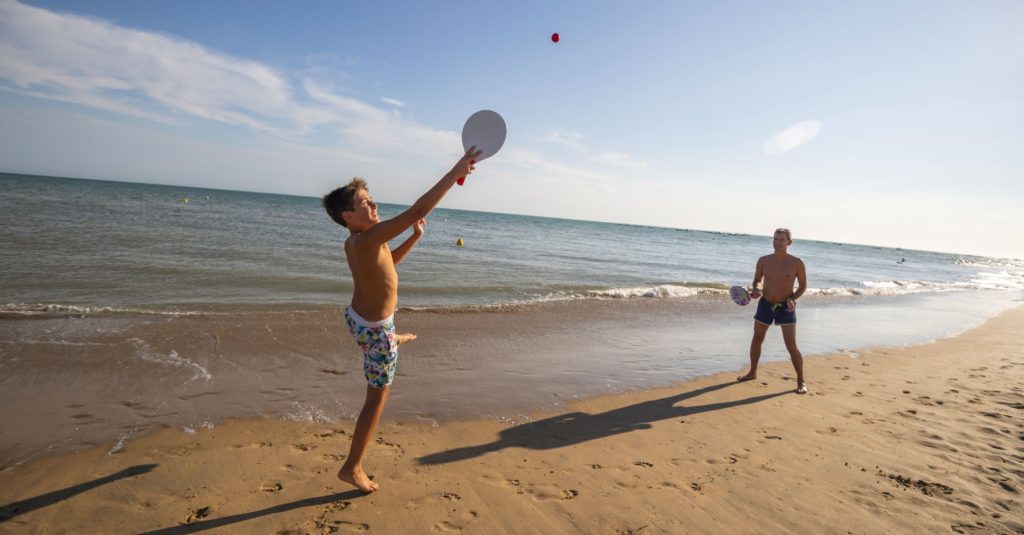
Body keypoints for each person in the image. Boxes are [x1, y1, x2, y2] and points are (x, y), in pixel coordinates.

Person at [321, 146, 482, 492]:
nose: (374, 205)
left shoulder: (357, 241)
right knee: (376, 401)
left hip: (359, 321)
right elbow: (418, 210)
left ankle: (392, 340)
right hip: (375, 331)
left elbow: (387, 265)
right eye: (365, 203)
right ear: (348, 215)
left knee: (382, 344)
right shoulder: (367, 239)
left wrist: (414, 237)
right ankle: (352, 468)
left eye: (371, 199)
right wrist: (455, 172)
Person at [737, 228, 808, 394]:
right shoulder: (763, 261)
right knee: (757, 338)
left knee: (791, 345)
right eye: (775, 239)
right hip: (766, 303)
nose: (777, 242)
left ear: (789, 242)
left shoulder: (797, 263)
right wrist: (756, 289)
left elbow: (803, 286)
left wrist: (793, 299)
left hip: (785, 307)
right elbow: (757, 280)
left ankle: (801, 381)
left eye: (782, 240)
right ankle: (752, 372)